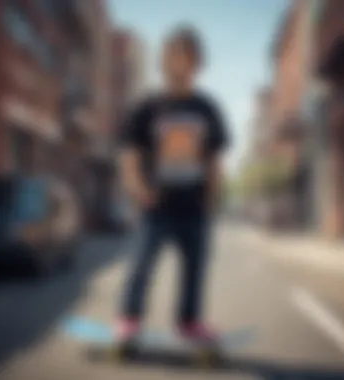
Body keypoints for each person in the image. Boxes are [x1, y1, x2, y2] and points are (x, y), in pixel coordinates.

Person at [116, 25, 229, 344]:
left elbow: (214, 161)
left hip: (194, 205)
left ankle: (189, 322)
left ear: (197, 63)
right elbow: (130, 156)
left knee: (195, 270)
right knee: (140, 266)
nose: (181, 64)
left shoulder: (207, 108)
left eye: (188, 57)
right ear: (164, 61)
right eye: (174, 56)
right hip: (156, 205)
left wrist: (212, 199)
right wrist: (138, 190)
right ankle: (129, 319)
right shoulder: (147, 107)